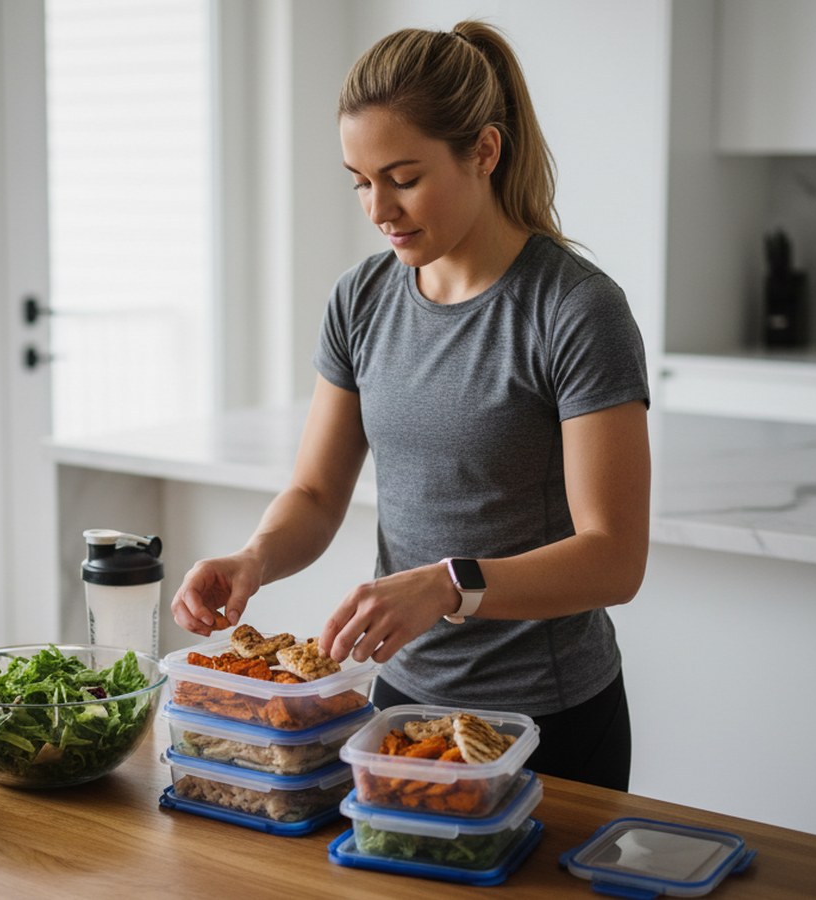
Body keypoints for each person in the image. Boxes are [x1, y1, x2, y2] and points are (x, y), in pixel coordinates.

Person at [169, 19, 650, 792]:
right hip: (400, 707)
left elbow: (615, 558)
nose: (379, 208)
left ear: (484, 152)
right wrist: (253, 559)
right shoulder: (361, 299)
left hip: (546, 723)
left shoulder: (574, 310)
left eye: (403, 176)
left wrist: (447, 585)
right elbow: (317, 493)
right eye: (359, 181)